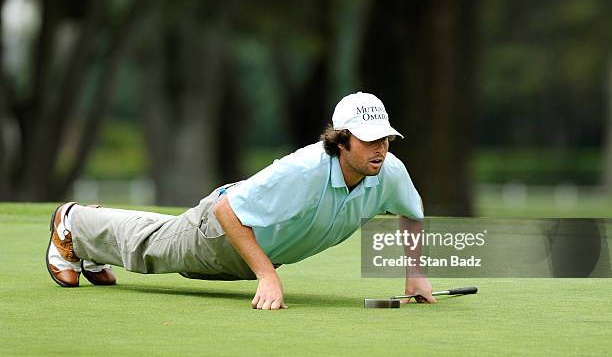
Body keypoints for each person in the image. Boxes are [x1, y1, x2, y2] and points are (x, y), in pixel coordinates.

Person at [45, 92, 435, 309]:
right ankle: (73, 223)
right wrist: (268, 276)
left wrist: (414, 272)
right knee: (151, 251)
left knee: (157, 238)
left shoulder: (389, 171)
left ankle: (90, 239)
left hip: (253, 251)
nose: (381, 149)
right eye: (370, 140)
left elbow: (412, 214)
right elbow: (226, 209)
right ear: (343, 139)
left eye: (385, 139)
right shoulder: (303, 169)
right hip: (222, 232)